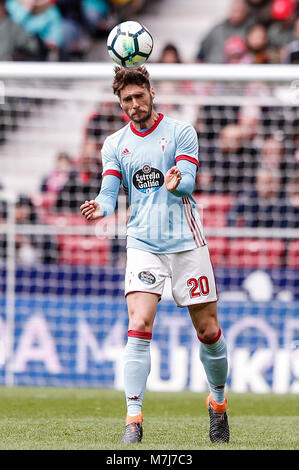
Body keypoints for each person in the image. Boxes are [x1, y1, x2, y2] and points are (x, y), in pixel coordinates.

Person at [80, 66, 229, 444]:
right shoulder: (115, 143)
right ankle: (133, 419)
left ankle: (217, 404)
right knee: (140, 324)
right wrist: (100, 205)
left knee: (208, 331)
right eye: (126, 100)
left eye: (139, 96)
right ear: (120, 103)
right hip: (143, 243)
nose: (134, 105)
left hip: (185, 241)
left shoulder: (181, 131)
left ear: (151, 92)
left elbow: (189, 182)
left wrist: (179, 184)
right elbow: (110, 193)